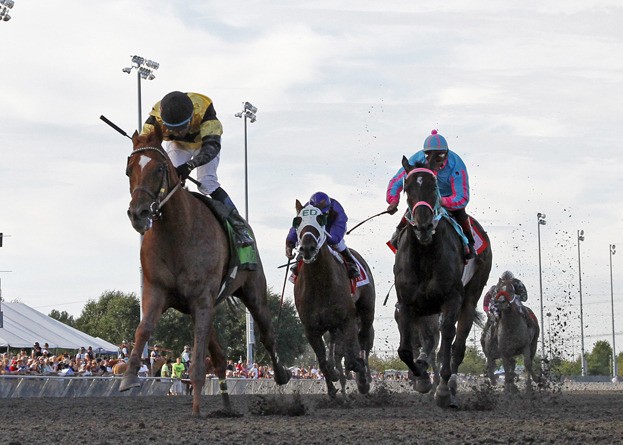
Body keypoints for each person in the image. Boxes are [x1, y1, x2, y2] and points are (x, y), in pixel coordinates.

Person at [141, 90, 253, 247]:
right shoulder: (155, 119)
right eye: (173, 128)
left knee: (207, 183)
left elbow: (212, 147)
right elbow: (144, 146)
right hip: (178, 146)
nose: (178, 132)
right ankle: (156, 218)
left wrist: (190, 165)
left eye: (182, 127)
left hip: (204, 145)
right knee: (171, 179)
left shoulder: (205, 111)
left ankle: (239, 226)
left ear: (191, 117)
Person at [386, 129, 476, 259]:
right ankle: (398, 235)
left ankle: (469, 242)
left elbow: (462, 198)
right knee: (413, 210)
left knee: (461, 213)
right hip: (424, 198)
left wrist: (441, 201)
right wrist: (393, 201)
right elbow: (396, 182)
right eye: (429, 155)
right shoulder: (416, 160)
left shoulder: (456, 165)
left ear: (447, 153)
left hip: (448, 199)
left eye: (439, 155)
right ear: (424, 154)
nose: (434, 159)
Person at [285, 191, 360, 279]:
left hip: (332, 229)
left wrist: (328, 238)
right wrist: (289, 243)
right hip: (315, 231)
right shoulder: (306, 209)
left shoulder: (337, 210)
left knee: (338, 244)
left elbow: (338, 230)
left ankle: (352, 264)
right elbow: (297, 227)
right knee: (305, 241)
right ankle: (298, 263)